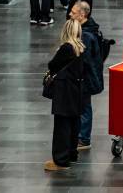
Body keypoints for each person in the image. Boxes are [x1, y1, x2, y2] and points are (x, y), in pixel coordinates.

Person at [44, 19, 85, 171]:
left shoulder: (66, 48)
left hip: (64, 92)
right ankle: (72, 154)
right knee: (74, 124)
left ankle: (61, 160)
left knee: (62, 126)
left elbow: (52, 65)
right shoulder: (81, 48)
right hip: (76, 91)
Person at [69, 0, 110, 152]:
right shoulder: (90, 29)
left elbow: (84, 59)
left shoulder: (85, 35)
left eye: (73, 12)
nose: (70, 14)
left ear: (82, 15)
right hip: (88, 76)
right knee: (84, 105)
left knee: (84, 106)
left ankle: (84, 138)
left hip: (85, 77)